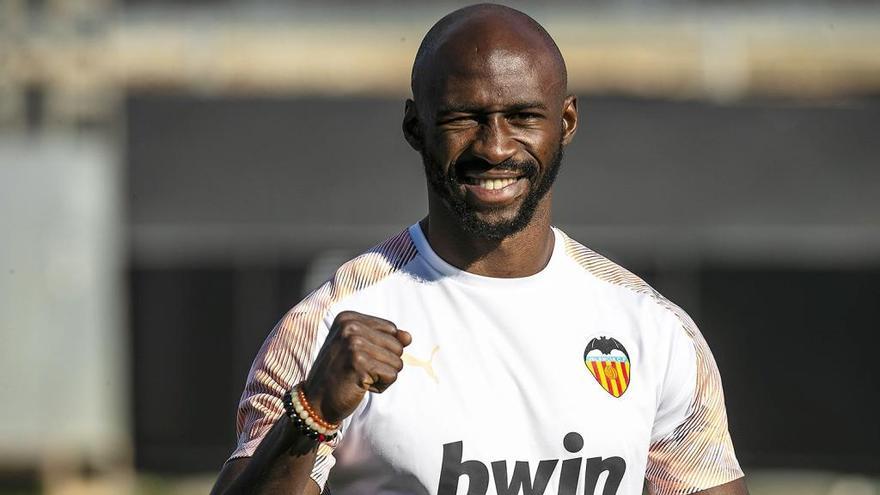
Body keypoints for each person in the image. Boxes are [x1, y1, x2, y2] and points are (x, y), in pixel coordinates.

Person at [210, 4, 748, 495]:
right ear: (415, 127)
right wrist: (314, 410)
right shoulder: (330, 324)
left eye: (522, 117)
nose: (494, 147)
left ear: (566, 123)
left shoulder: (653, 329)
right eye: (462, 117)